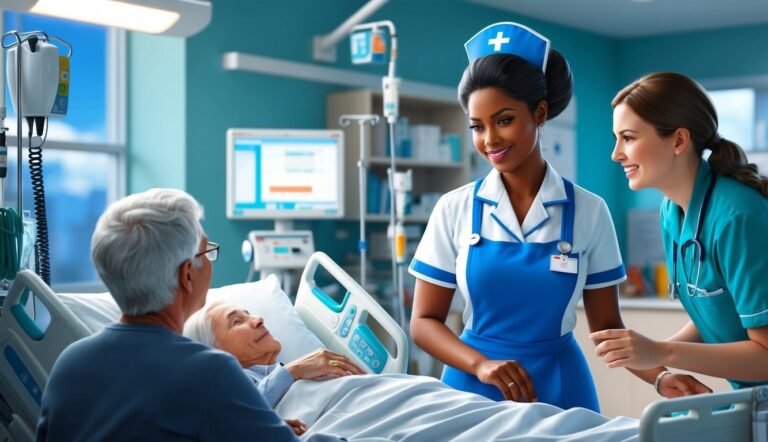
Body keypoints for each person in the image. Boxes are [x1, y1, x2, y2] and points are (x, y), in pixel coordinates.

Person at [408, 22, 709, 412]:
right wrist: (480, 364)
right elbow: (424, 321)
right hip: (470, 387)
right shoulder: (454, 208)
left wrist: (661, 375)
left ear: (540, 112)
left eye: (503, 120)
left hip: (558, 386)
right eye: (477, 127)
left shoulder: (588, 210)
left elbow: (606, 328)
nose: (490, 140)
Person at [36, 188, 299, 441]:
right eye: (207, 252)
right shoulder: (211, 372)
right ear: (187, 275)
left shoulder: (69, 364)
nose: (210, 262)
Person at [593, 72, 768, 392]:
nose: (616, 154)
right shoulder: (671, 211)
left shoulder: (737, 218)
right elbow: (715, 310)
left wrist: (662, 351)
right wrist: (649, 355)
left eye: (628, 138)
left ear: (678, 141)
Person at [183, 302, 365, 435]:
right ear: (214, 353)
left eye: (248, 313)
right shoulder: (229, 391)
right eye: (237, 321)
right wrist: (293, 371)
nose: (258, 319)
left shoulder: (293, 370)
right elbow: (237, 415)